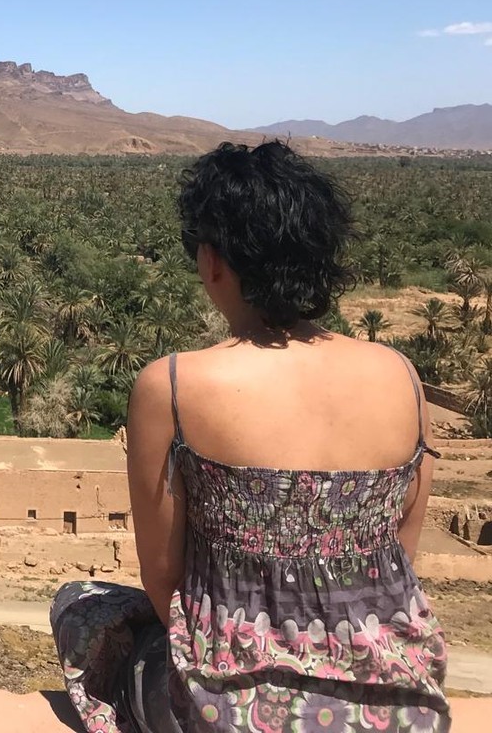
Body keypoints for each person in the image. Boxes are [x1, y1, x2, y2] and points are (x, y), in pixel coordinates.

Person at [51, 141, 450, 733]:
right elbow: (399, 560)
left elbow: (163, 580)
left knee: (82, 605)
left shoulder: (174, 385)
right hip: (397, 705)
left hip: (229, 710)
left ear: (211, 260)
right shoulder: (402, 375)